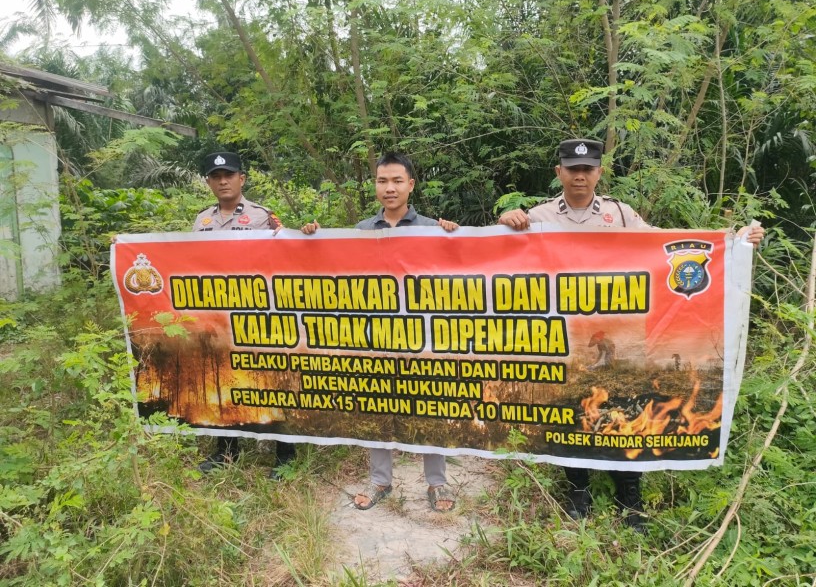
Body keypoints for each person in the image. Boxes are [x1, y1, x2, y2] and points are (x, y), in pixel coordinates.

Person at [498, 138, 765, 530]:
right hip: (566, 339)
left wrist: (733, 241)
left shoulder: (620, 215)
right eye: (572, 169)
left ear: (599, 173)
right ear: (559, 173)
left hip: (621, 334)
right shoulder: (538, 217)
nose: (580, 176)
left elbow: (663, 244)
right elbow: (494, 257)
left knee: (626, 408)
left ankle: (630, 498)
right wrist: (507, 219)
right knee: (572, 412)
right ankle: (579, 492)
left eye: (588, 169)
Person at [301, 152, 459, 512]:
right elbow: (328, 269)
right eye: (382, 181)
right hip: (376, 339)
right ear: (374, 185)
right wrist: (312, 237)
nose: (389, 188)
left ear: (411, 185)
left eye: (397, 181)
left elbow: (458, 275)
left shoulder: (434, 228)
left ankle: (437, 484)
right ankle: (380, 482)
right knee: (378, 409)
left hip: (423, 340)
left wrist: (454, 237)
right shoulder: (359, 232)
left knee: (430, 409)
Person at [194, 151, 296, 480]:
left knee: (272, 380)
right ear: (209, 182)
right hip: (219, 316)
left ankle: (285, 455)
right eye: (215, 176)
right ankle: (226, 452)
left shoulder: (263, 216)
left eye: (229, 175)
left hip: (259, 313)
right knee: (224, 380)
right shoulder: (202, 221)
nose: (223, 181)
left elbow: (288, 253)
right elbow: (186, 262)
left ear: (242, 178)